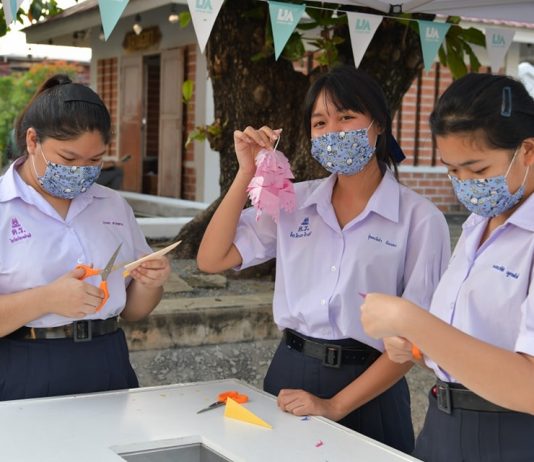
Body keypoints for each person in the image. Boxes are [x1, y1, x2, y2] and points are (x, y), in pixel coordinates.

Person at [197, 65, 451, 453]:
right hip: (291, 371)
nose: (333, 131)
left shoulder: (420, 218)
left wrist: (335, 406)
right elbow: (212, 258)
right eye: (320, 122)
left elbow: (415, 337)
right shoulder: (293, 202)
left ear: (379, 124)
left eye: (346, 117)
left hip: (370, 387)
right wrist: (246, 170)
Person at [360, 73, 534, 461]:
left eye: (478, 170)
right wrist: (416, 348)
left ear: (527, 150)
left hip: (510, 433)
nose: (465, 184)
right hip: (444, 421)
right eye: (453, 170)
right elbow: (468, 345)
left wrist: (411, 319)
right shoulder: (478, 224)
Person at [0, 74, 171, 401]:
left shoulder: (113, 204)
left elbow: (133, 311)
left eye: (94, 160)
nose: (81, 170)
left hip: (107, 357)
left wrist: (151, 283)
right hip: (23, 363)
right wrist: (47, 299)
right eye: (68, 159)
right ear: (33, 141)